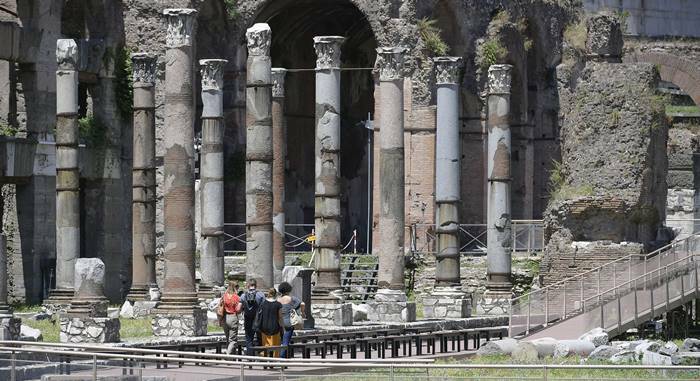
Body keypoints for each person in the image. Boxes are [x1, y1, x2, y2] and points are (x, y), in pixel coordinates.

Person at [277, 281, 305, 359]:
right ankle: (282, 358)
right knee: (286, 341)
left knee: (281, 340)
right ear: (288, 290)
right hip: (289, 322)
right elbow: (302, 303)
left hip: (279, 322)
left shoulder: (278, 300)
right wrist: (302, 313)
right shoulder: (292, 299)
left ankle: (283, 356)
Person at [241, 278, 265, 356]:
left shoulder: (243, 296)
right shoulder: (261, 295)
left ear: (248, 285)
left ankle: (250, 357)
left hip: (247, 318)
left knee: (249, 339)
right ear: (256, 285)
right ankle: (261, 356)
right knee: (260, 338)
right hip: (258, 319)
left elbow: (240, 307)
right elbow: (264, 306)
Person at [218, 276, 242, 355]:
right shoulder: (237, 298)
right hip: (233, 317)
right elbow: (238, 310)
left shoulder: (224, 296)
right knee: (233, 340)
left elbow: (220, 307)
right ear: (235, 288)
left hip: (225, 317)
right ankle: (228, 355)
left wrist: (220, 320)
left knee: (228, 339)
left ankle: (232, 358)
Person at [257, 288, 283, 357]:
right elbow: (280, 317)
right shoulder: (278, 304)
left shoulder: (263, 303)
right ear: (275, 294)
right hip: (275, 326)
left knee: (265, 344)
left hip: (264, 326)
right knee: (275, 345)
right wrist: (281, 326)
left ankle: (265, 358)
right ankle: (274, 359)